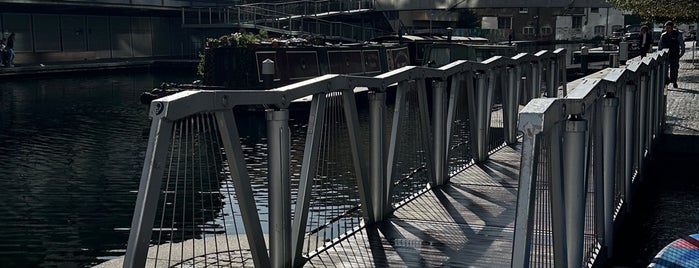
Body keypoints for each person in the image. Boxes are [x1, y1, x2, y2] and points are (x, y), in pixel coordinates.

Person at [658, 21, 684, 88]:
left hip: (674, 54)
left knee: (674, 69)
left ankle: (674, 81)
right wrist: (659, 54)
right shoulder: (663, 35)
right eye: (666, 27)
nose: (667, 29)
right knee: (664, 69)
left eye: (668, 27)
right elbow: (660, 46)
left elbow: (682, 45)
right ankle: (666, 81)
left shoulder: (677, 34)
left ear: (672, 27)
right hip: (665, 56)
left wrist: (681, 54)